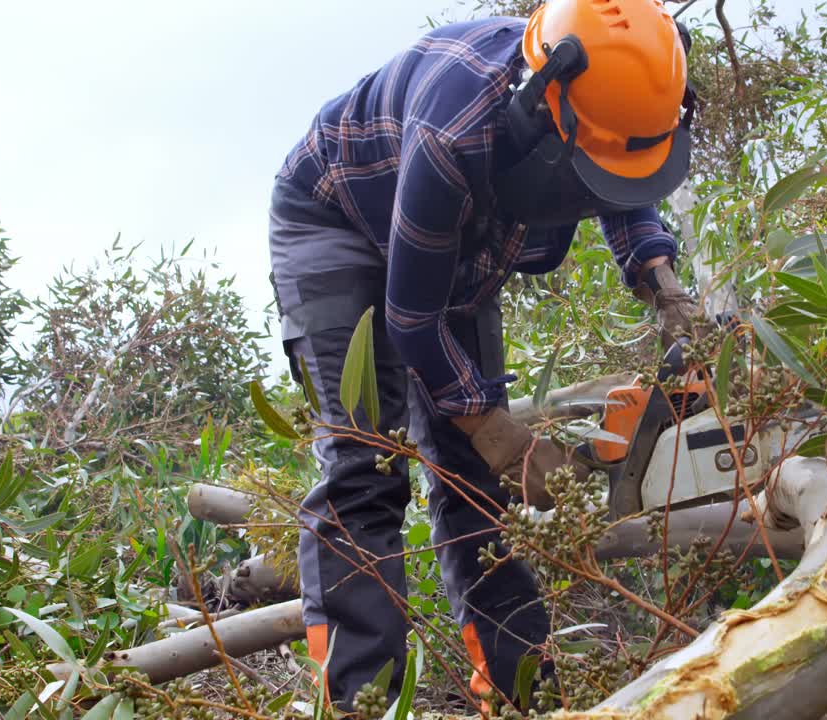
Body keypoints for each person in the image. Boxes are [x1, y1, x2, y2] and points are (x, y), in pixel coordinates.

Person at [266, 0, 703, 711]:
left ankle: (519, 694)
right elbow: (413, 316)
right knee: (363, 465)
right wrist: (504, 439)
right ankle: (358, 703)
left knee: (472, 482)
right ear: (542, 112)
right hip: (335, 216)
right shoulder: (455, 129)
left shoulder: (606, 95)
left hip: (453, 239)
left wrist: (664, 287)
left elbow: (625, 166)